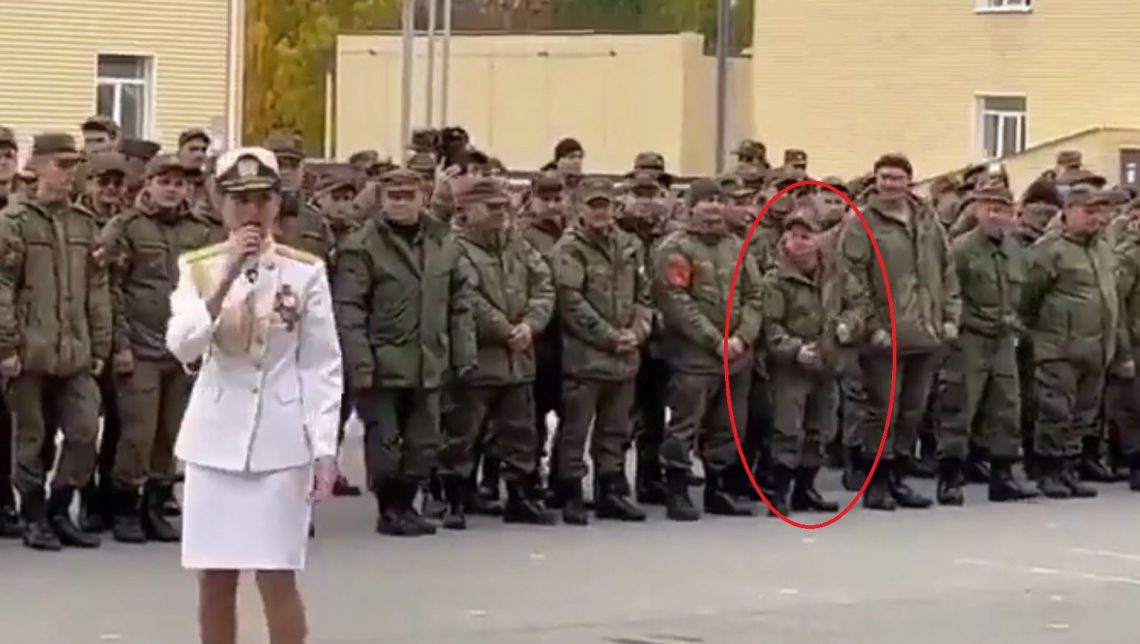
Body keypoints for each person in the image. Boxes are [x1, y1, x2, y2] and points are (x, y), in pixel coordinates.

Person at [165, 146, 342, 644]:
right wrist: (224, 279)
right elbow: (183, 345)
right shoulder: (198, 268)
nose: (252, 211)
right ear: (219, 204)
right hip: (214, 441)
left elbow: (321, 363)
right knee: (214, 577)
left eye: (263, 199)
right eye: (240, 200)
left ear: (278, 204)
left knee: (277, 573)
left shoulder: (304, 271)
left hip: (281, 443)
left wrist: (324, 446)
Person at [0, 133, 112, 551]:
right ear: (38, 166)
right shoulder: (14, 222)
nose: (70, 174)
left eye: (74, 166)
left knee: (84, 430)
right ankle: (32, 514)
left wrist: (100, 346)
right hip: (30, 349)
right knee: (31, 437)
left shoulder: (83, 223)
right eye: (61, 165)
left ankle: (60, 507)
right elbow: (2, 288)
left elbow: (97, 289)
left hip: (75, 349)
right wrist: (6, 346)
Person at [833, 153, 960, 511]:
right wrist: (871, 325)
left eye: (897, 178)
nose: (890, 184)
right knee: (882, 411)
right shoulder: (861, 223)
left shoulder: (927, 221)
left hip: (925, 331)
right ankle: (876, 483)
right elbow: (851, 278)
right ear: (875, 181)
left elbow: (947, 271)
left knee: (913, 410)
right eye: (884, 177)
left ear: (909, 181)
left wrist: (950, 316)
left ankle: (899, 477)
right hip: (885, 334)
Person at [1019, 183, 1120, 499]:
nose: (1096, 218)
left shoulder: (1103, 249)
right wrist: (1036, 337)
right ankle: (1047, 470)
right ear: (1068, 211)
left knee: (1084, 413)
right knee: (1055, 410)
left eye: (1100, 212)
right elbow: (1027, 298)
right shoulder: (1050, 250)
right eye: (1089, 211)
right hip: (1058, 347)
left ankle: (1069, 468)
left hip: (1097, 346)